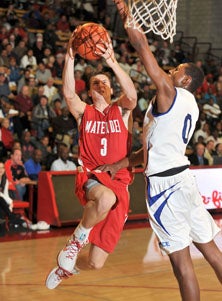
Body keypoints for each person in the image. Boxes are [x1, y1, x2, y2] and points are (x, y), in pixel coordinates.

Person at [111, 1, 222, 300]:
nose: (169, 72)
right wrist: (123, 162)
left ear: (185, 80)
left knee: (182, 265)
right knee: (212, 251)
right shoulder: (192, 106)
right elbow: (153, 147)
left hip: (165, 188)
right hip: (184, 181)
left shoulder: (171, 93)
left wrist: (128, 16)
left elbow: (143, 47)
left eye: (175, 70)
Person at [45, 28, 137, 289]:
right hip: (92, 176)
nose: (100, 84)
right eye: (95, 82)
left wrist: (112, 63)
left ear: (110, 88)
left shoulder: (121, 111)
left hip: (120, 182)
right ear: (90, 89)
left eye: (104, 82)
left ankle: (67, 269)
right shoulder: (84, 113)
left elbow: (132, 96)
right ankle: (75, 241)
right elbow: (68, 94)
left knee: (96, 262)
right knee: (105, 197)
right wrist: (70, 57)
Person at [0, 161, 24, 226]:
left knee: (2, 202)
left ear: (4, 169)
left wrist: (10, 204)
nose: (1, 170)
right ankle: (11, 217)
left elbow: (6, 194)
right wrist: (10, 201)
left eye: (2, 168)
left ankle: (6, 220)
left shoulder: (5, 180)